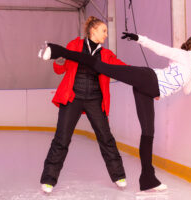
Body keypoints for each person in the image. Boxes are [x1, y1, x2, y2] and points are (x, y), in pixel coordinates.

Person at [38, 32, 191, 192]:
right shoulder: (184, 56)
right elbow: (160, 48)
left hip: (149, 91)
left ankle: (148, 179)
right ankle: (56, 50)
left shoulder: (190, 67)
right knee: (101, 66)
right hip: (147, 78)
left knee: (148, 133)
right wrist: (139, 38)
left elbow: (187, 90)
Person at [39, 16, 127, 194]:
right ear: (93, 30)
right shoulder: (75, 45)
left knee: (106, 137)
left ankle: (118, 175)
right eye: (104, 31)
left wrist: (144, 79)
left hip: (95, 99)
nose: (106, 35)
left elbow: (123, 69)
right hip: (73, 97)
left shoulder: (106, 54)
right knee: (62, 138)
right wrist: (59, 59)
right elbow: (59, 69)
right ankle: (48, 179)